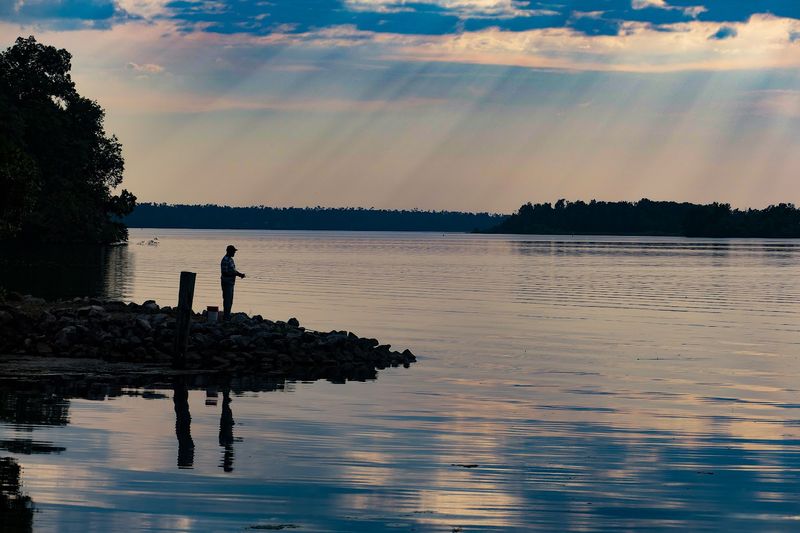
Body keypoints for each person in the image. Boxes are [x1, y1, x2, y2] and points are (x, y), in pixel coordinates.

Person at [220, 244, 245, 321]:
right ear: (229, 251)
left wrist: (240, 274)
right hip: (226, 282)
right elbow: (224, 273)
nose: (234, 253)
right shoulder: (225, 260)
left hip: (231, 283)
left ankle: (227, 315)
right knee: (227, 300)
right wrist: (235, 274)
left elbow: (233, 270)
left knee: (230, 300)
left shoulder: (231, 259)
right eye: (233, 251)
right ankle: (226, 317)